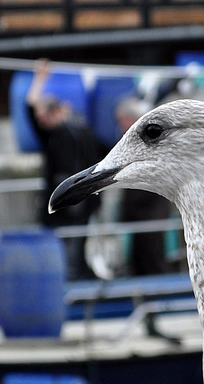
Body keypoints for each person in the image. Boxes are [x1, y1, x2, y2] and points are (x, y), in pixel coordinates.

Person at [26, 60, 103, 279]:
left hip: (79, 203)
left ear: (55, 113)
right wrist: (40, 79)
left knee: (74, 248)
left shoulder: (76, 132)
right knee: (63, 247)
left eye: (43, 119)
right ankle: (69, 277)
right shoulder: (55, 133)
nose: (39, 124)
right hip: (62, 201)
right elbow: (30, 108)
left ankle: (74, 279)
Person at [115, 95, 172, 276]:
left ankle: (158, 296)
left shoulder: (153, 148)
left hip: (150, 213)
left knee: (152, 257)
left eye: (122, 121)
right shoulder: (132, 148)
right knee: (140, 258)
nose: (120, 126)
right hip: (141, 214)